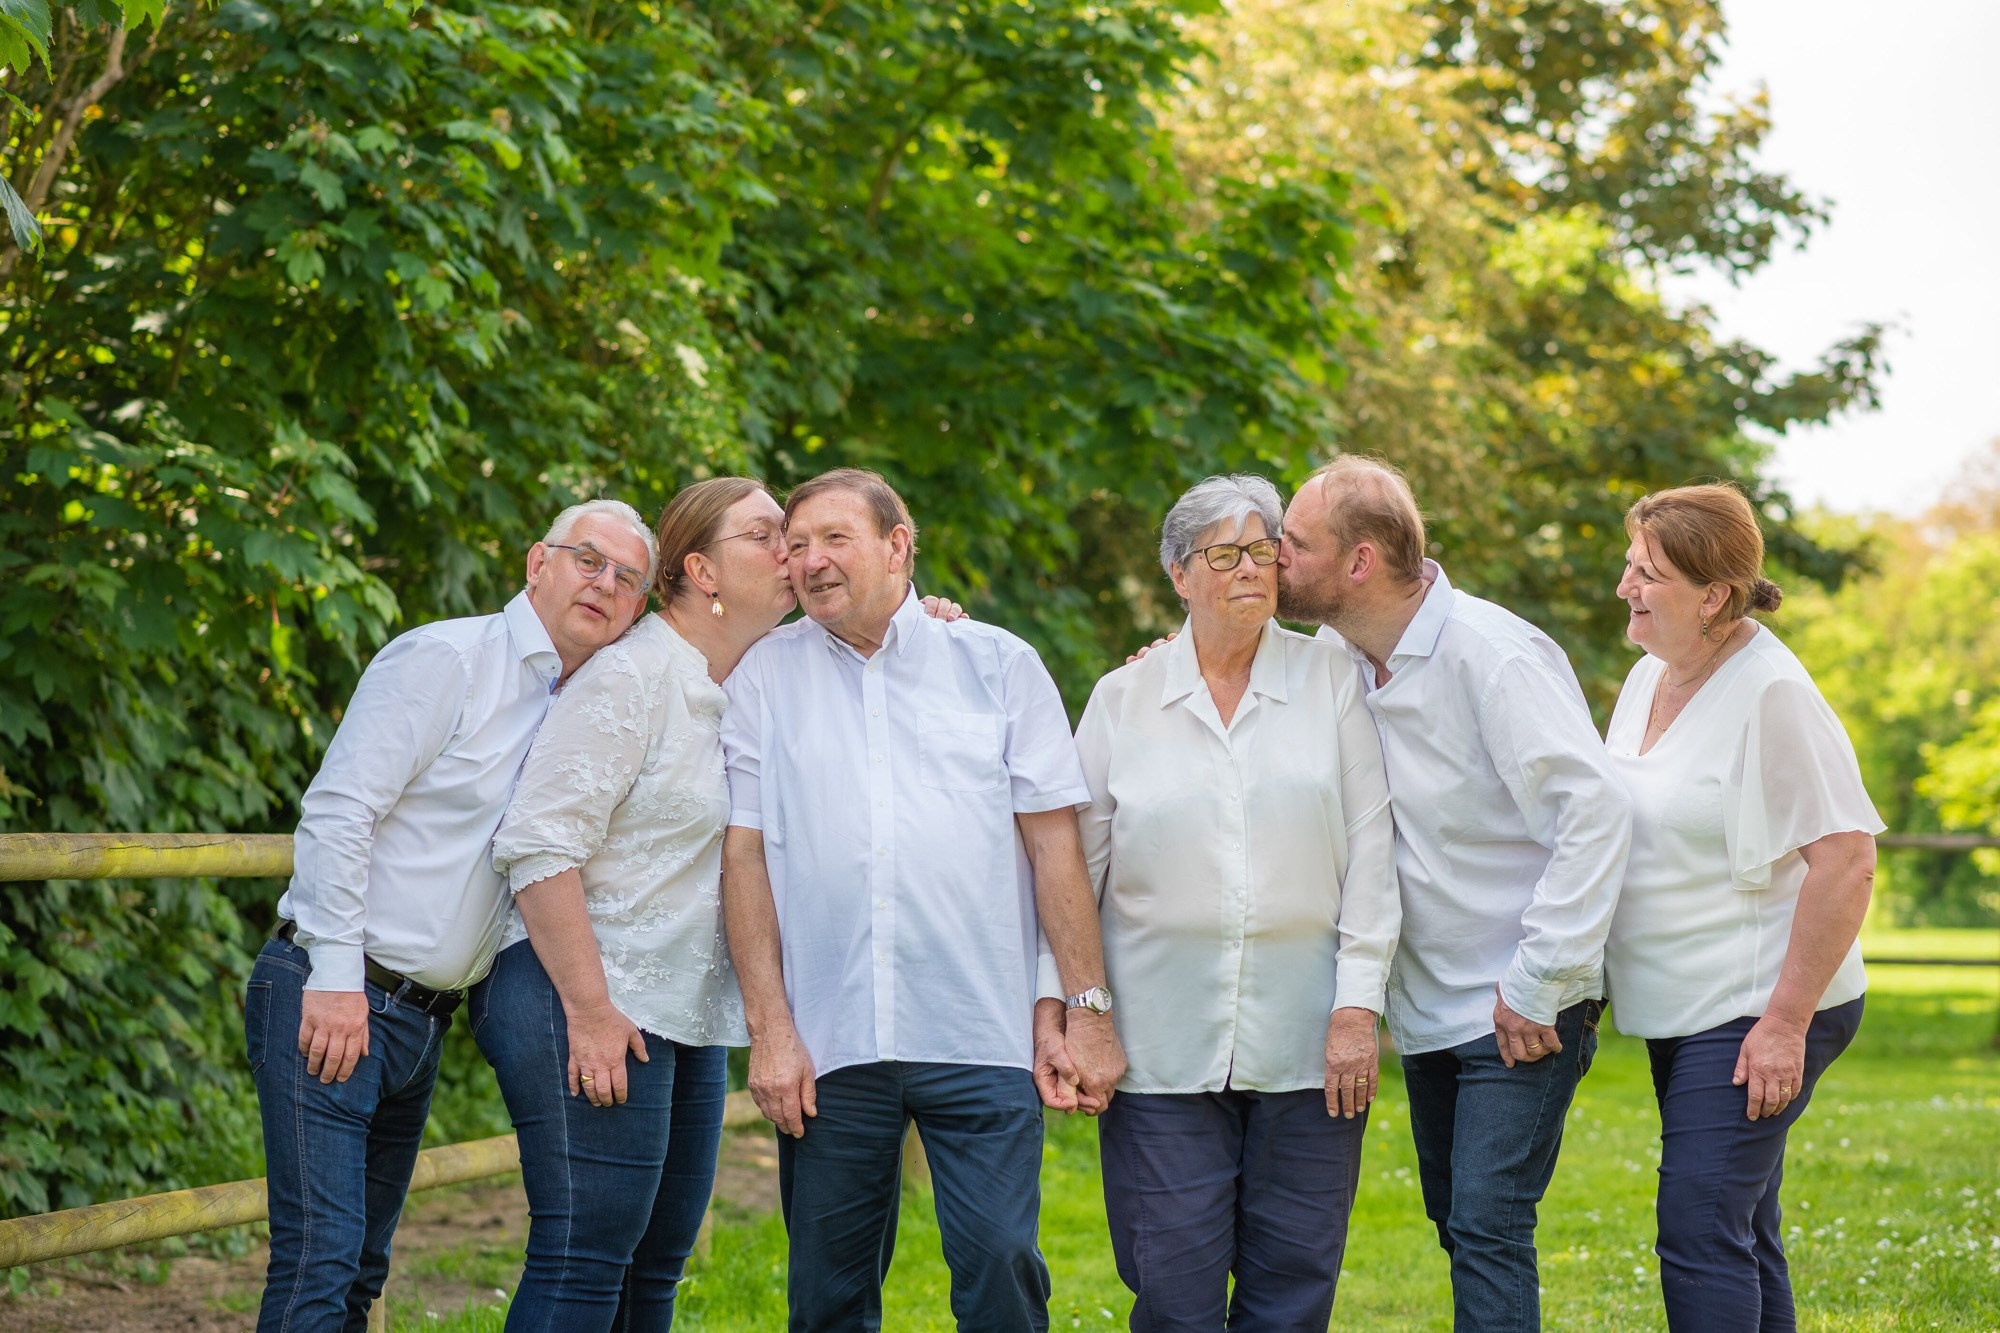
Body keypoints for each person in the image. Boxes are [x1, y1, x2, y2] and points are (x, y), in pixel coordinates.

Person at [719, 467, 1127, 1332]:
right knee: (826, 1294)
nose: (812, 561)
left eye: (836, 538)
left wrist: (1084, 1008)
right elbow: (745, 856)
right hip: (830, 1039)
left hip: (980, 1024)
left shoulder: (998, 663)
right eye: (796, 546)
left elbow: (1055, 847)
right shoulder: (763, 678)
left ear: (899, 545)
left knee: (1003, 1267)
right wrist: (772, 1029)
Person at [248, 499, 655, 1332]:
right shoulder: (447, 658)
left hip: (421, 1024)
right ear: (538, 560)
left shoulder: (587, 702)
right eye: (588, 558)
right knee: (319, 1260)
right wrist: (331, 980)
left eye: (626, 577)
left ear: (639, 608)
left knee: (362, 1268)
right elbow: (339, 811)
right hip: (336, 991)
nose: (603, 582)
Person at [1274, 456, 1632, 1333]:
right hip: (1428, 1004)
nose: (1270, 556)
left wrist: (1539, 978)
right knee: (1456, 1221)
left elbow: (1595, 810)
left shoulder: (1492, 654)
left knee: (1487, 1222)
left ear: (1358, 562)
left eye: (1292, 541)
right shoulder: (1336, 656)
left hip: (1523, 1001)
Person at [1065, 474, 1400, 1330]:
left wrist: (1357, 1007)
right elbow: (1073, 872)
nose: (1250, 568)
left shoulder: (1330, 677)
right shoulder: (1123, 697)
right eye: (1224, 553)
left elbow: (1372, 852)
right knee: (1173, 1287)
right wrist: (1080, 1012)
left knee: (1293, 1286)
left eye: (1263, 551)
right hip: (1159, 1048)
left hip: (1311, 1043)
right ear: (1179, 574)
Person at [475, 478, 792, 1330]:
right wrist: (588, 1008)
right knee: (584, 1256)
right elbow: (539, 844)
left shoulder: (747, 680)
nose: (791, 550)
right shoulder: (632, 676)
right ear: (704, 569)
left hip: (682, 1010)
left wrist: (930, 618)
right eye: (768, 535)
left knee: (655, 1267)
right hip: (581, 990)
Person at [1604, 483, 1880, 1332]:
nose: (1624, 587)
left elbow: (1846, 858)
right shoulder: (1649, 674)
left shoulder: (1772, 693)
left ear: (1712, 595)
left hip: (1757, 1004)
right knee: (1743, 1226)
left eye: (1646, 573)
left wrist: (1784, 1024)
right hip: (1687, 1003)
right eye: (1629, 565)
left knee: (1699, 1225)